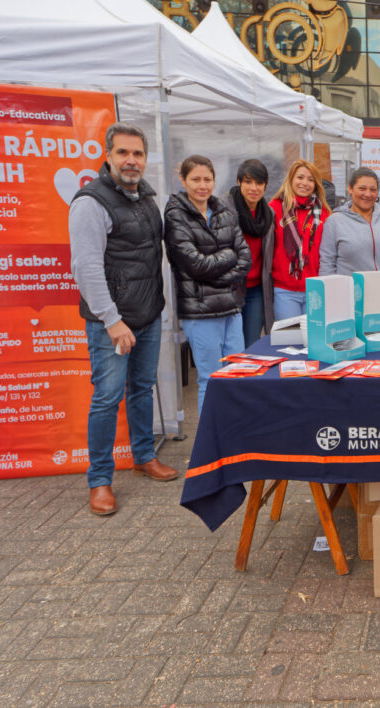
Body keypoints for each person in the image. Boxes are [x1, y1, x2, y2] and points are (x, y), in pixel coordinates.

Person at [68, 122, 177, 517]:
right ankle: (99, 480)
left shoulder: (145, 196)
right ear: (108, 156)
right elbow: (85, 269)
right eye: (123, 153)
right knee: (106, 399)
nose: (131, 161)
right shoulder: (90, 202)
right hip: (111, 322)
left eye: (138, 154)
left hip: (147, 315)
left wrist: (154, 310)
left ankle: (144, 456)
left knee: (141, 389)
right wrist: (112, 320)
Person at [164, 155, 250, 414]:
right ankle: (209, 446)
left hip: (231, 308)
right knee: (211, 380)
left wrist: (220, 274)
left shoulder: (225, 210)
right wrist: (228, 256)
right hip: (200, 312)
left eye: (207, 179)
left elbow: (245, 257)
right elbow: (194, 265)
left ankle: (234, 436)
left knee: (238, 376)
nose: (202, 185)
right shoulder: (176, 215)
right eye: (195, 179)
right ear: (183, 180)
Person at [319, 167, 380, 318]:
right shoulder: (334, 221)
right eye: (362, 188)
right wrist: (329, 298)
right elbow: (327, 264)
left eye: (373, 189)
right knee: (351, 341)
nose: (368, 194)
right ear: (350, 189)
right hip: (349, 301)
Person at [268, 160, 330, 321]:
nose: (305, 183)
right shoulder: (274, 208)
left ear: (316, 185)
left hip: (315, 289)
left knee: (313, 341)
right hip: (284, 290)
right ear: (291, 180)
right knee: (290, 342)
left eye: (310, 180)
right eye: (300, 177)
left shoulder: (324, 213)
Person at [229, 159, 274, 347]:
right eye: (248, 182)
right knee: (232, 344)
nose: (253, 188)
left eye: (259, 183)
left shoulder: (268, 213)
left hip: (256, 289)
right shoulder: (227, 210)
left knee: (251, 344)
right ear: (239, 182)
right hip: (231, 288)